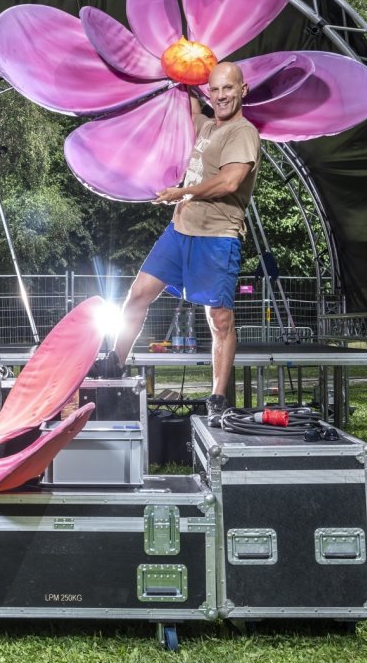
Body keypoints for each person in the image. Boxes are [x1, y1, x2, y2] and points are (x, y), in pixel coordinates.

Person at [93, 62, 261, 420]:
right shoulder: (205, 126)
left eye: (228, 89)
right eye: (214, 90)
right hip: (179, 232)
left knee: (219, 319)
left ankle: (217, 398)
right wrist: (179, 68)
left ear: (243, 90)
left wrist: (182, 192)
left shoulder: (243, 132)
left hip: (217, 238)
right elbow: (187, 104)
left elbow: (230, 182)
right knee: (138, 294)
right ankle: (113, 365)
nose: (221, 96)